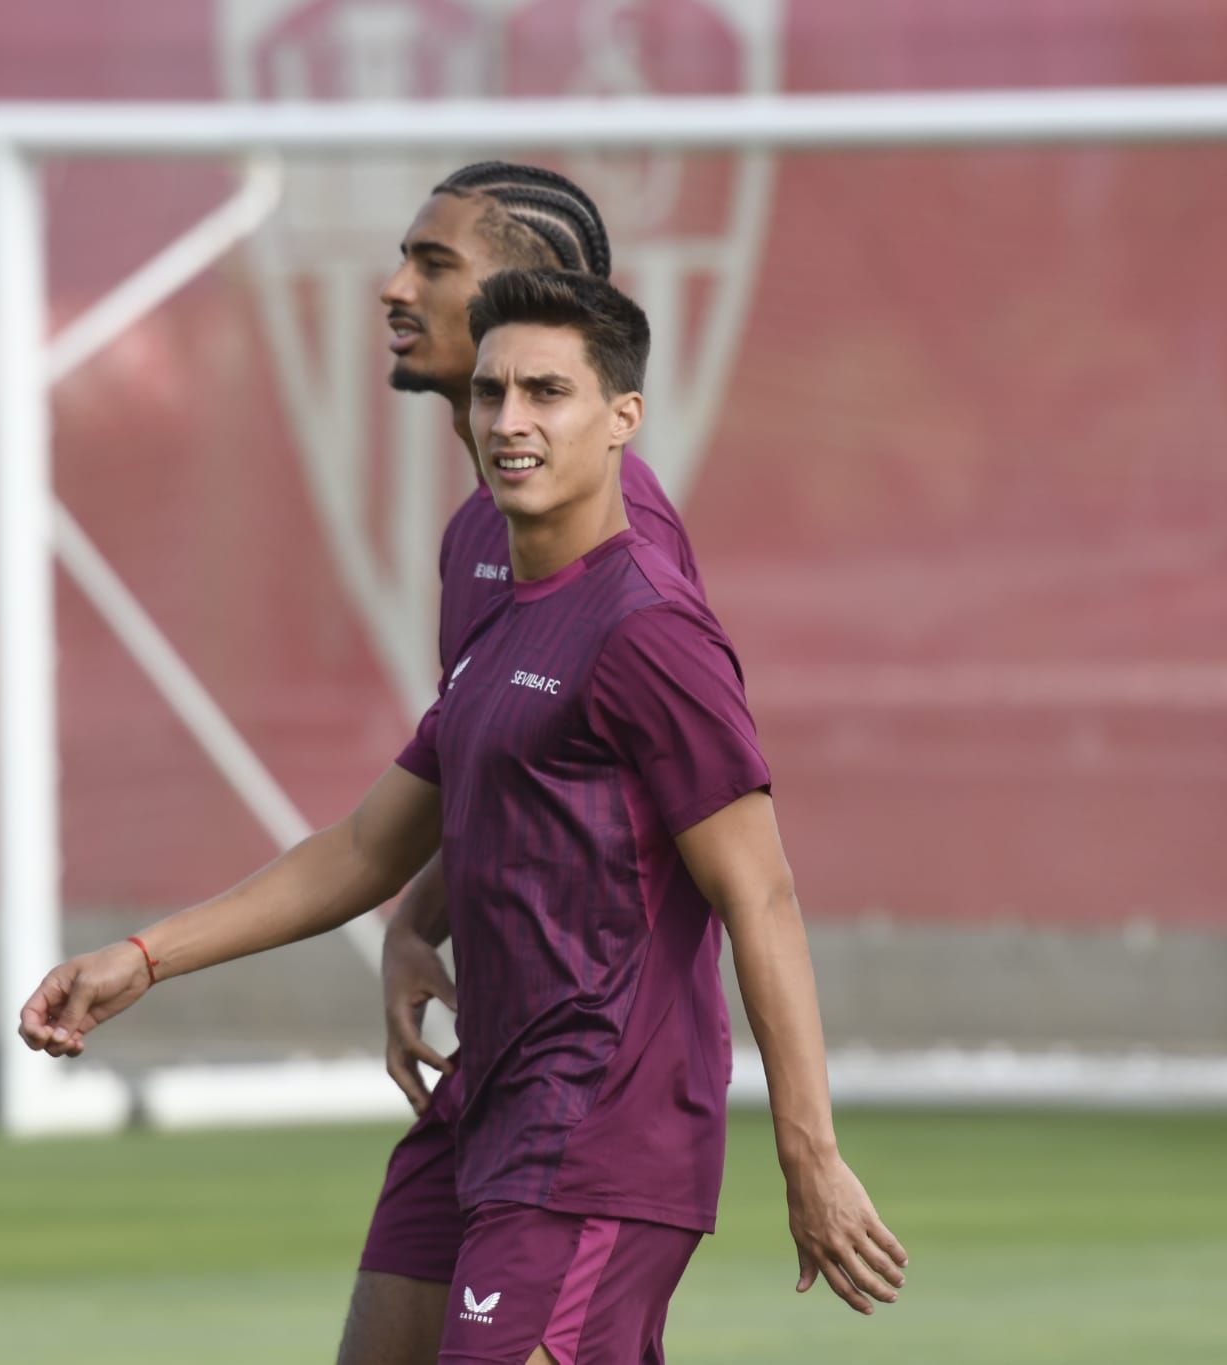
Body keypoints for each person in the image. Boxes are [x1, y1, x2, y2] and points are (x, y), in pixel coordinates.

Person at [18, 269, 908, 1365]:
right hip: (483, 1098)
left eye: (547, 392)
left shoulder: (648, 631)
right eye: (492, 394)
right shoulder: (497, 597)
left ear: (622, 417)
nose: (510, 420)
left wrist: (808, 1156)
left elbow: (758, 895)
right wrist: (145, 959)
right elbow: (366, 847)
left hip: (595, 1128)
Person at [349, 162, 704, 1365]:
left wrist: (806, 1150)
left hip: (590, 1101)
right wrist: (418, 915)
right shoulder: (475, 539)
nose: (394, 288)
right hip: (492, 1080)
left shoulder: (631, 561)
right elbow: (504, 770)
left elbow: (728, 854)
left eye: (432, 265)